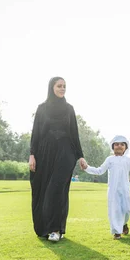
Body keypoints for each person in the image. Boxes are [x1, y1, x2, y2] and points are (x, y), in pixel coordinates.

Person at [29, 77, 86, 242]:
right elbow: (36, 134)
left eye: (64, 86)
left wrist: (80, 155)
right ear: (51, 88)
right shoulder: (42, 109)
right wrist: (32, 154)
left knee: (57, 190)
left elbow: (74, 134)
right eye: (59, 86)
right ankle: (45, 228)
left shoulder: (69, 109)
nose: (62, 89)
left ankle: (56, 229)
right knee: (43, 190)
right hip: (44, 154)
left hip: (65, 154)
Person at [82, 135, 130, 240]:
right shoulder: (110, 159)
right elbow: (99, 170)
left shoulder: (128, 160)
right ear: (113, 147)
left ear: (125, 147)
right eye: (116, 144)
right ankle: (117, 232)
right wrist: (87, 168)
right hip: (113, 190)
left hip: (125, 190)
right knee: (115, 210)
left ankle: (124, 223)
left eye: (122, 144)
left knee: (127, 209)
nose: (119, 146)